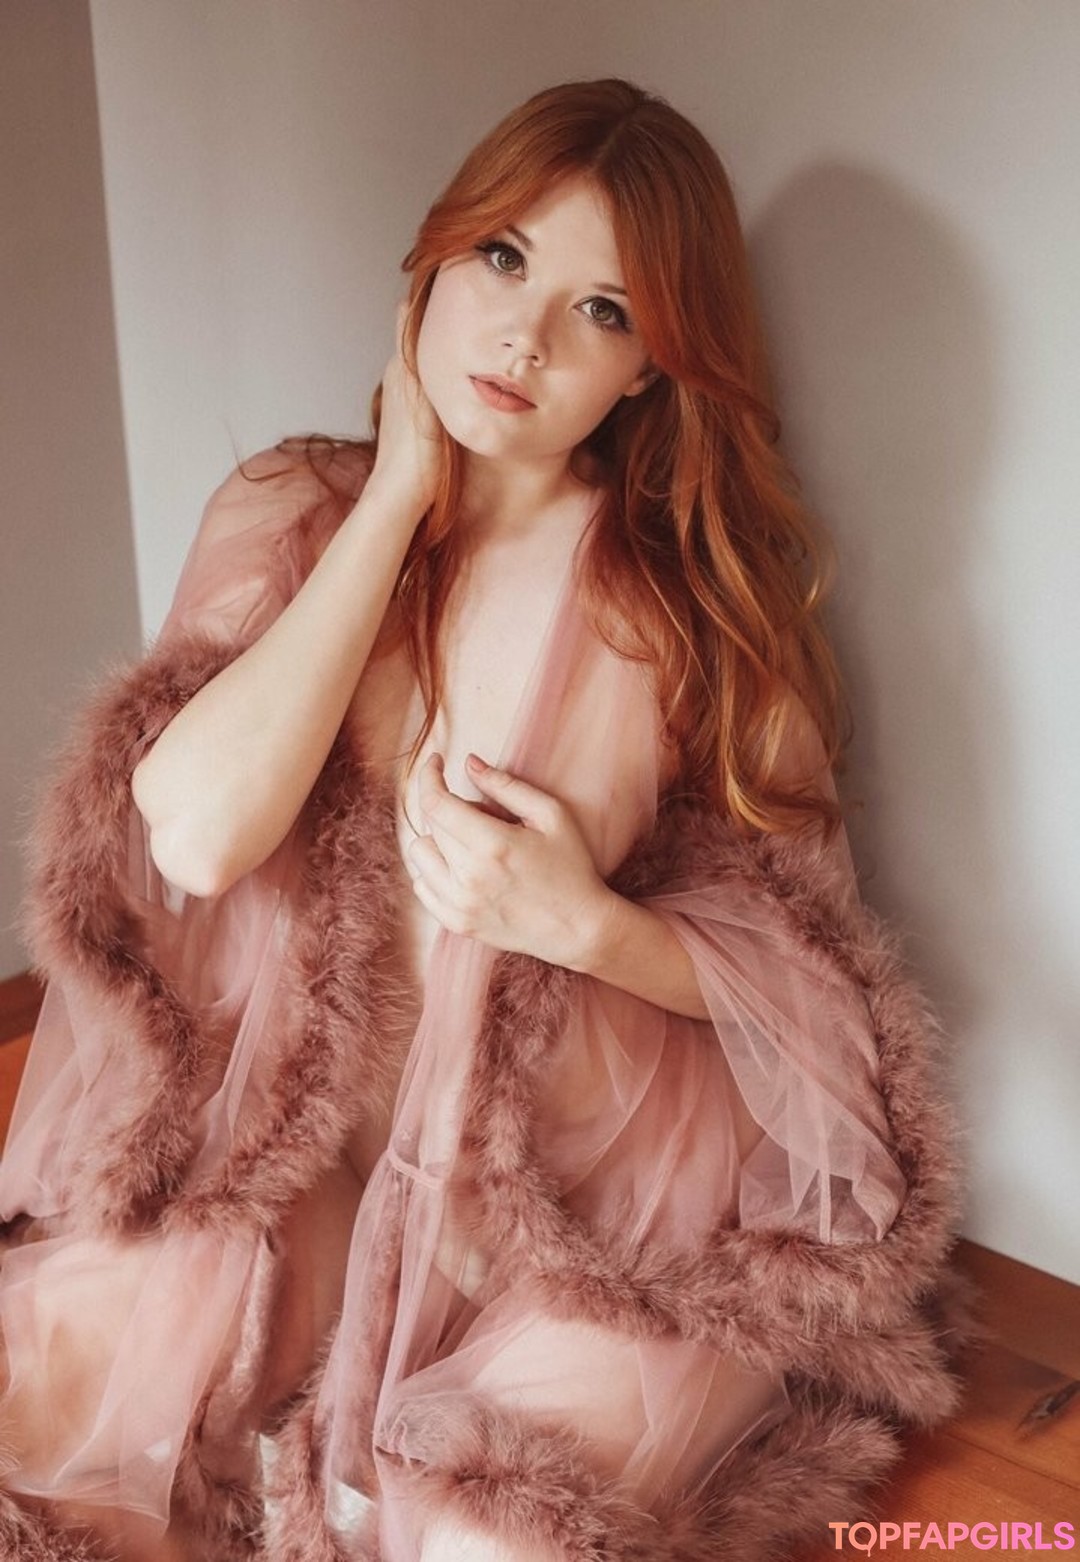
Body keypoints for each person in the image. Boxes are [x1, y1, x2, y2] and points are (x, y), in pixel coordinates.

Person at [0, 79, 971, 1562]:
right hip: (320, 1165)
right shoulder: (291, 509)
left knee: (487, 1533)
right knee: (55, 1413)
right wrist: (396, 495)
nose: (525, 337)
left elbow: (818, 1004)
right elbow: (192, 835)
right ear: (435, 259)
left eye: (603, 311)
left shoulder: (681, 618)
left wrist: (584, 923)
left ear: (647, 370)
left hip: (579, 1203)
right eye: (504, 258)